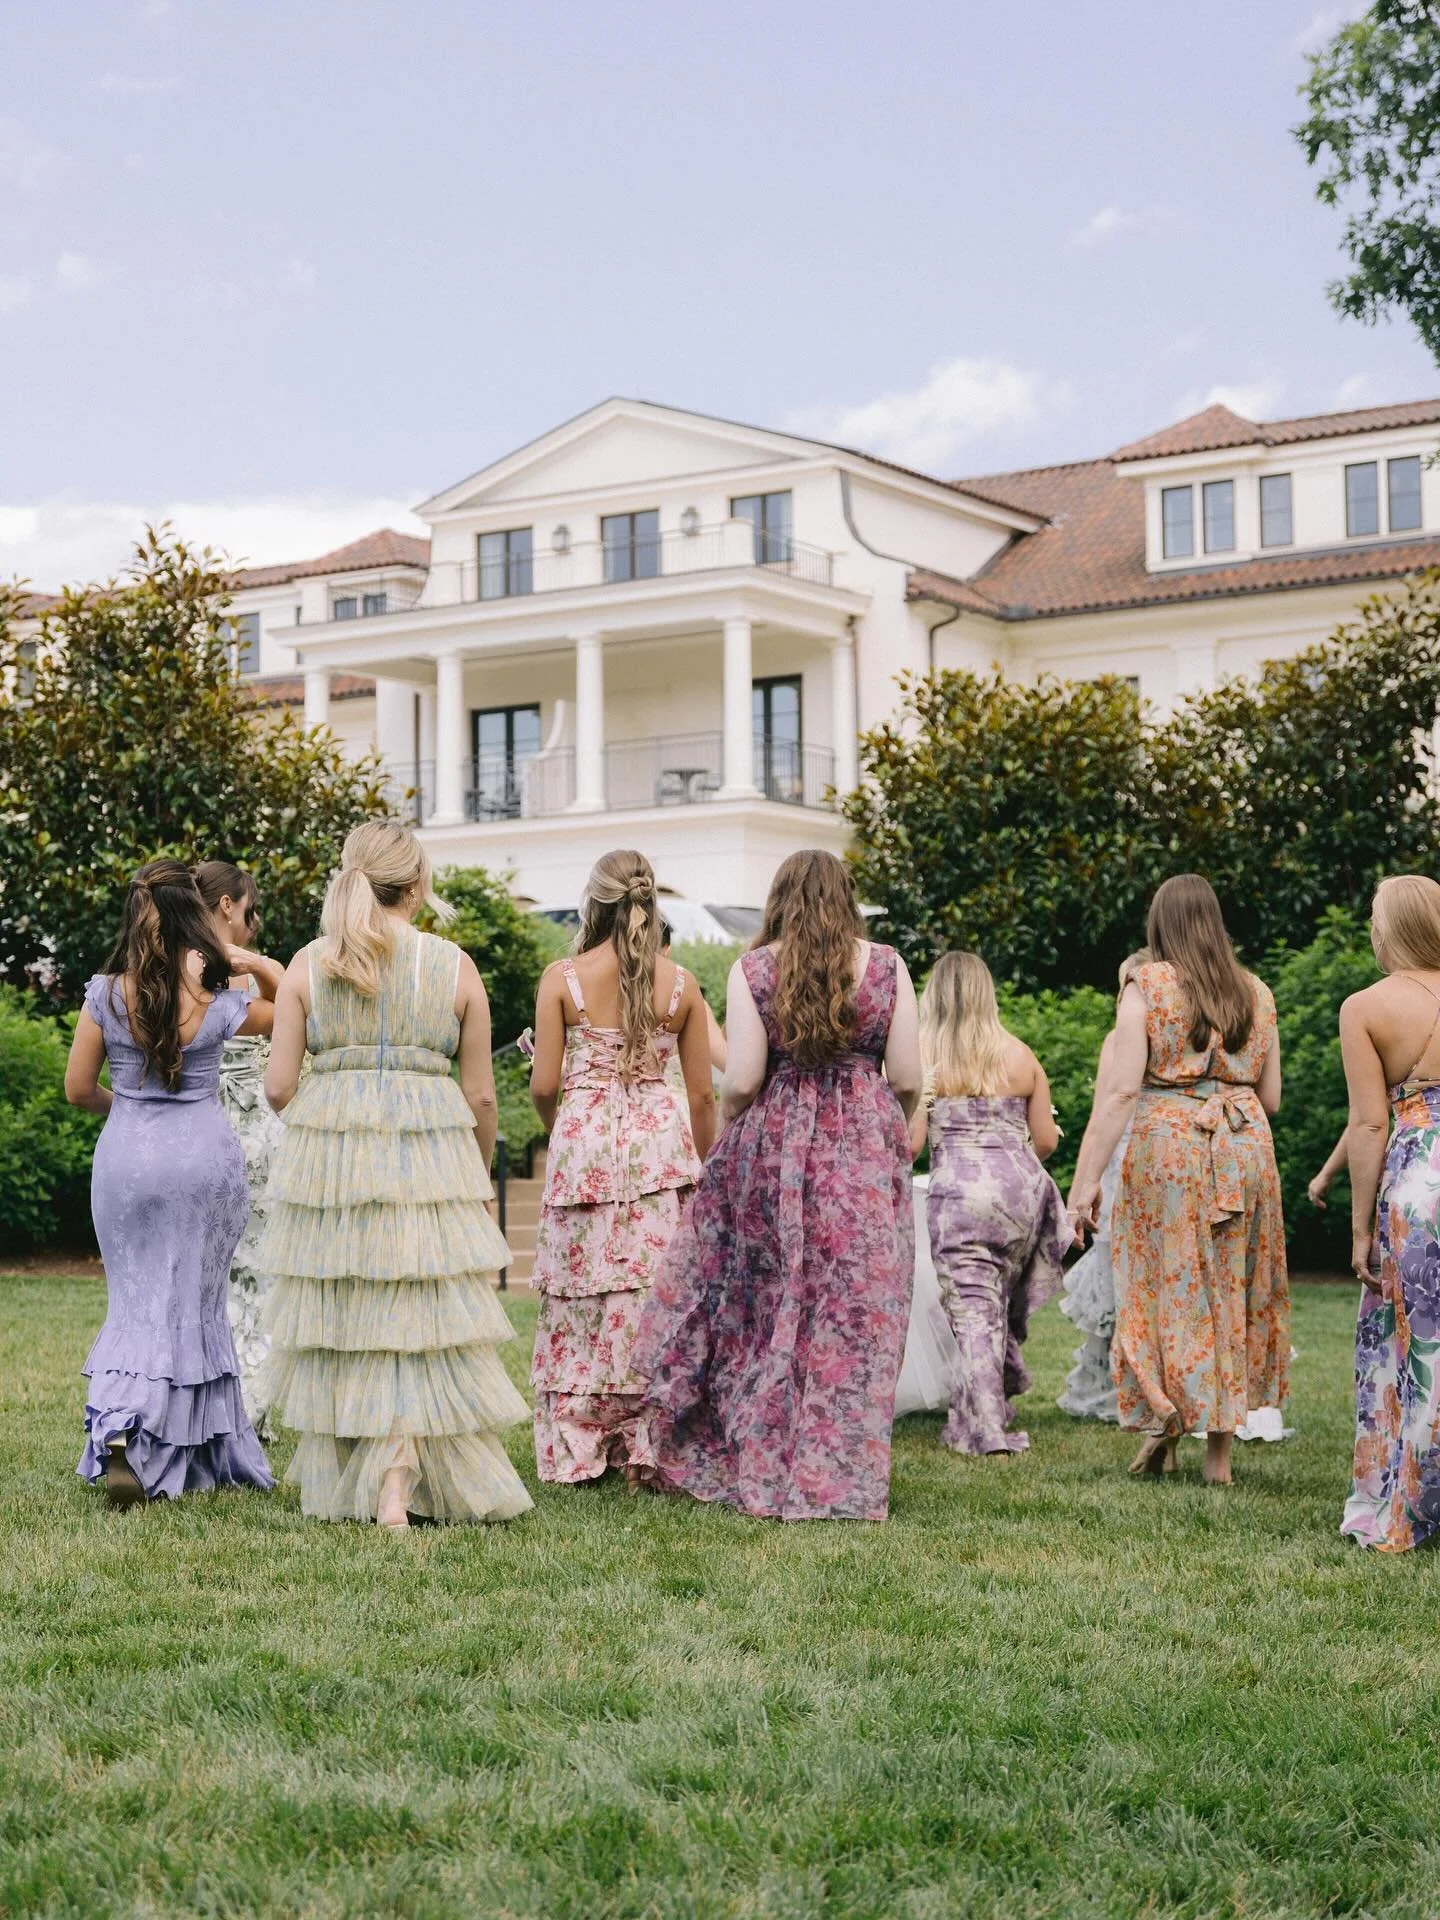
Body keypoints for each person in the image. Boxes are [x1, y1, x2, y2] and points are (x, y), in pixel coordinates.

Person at [633, 849, 922, 1522]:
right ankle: (843, 1477)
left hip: (777, 1148)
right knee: (856, 1312)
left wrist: (737, 1133)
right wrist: (885, 1123)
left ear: (780, 900)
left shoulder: (754, 968)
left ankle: (770, 1457)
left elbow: (741, 1079)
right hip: (862, 1151)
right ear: (846, 899)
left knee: (769, 1307)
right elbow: (907, 1074)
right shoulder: (887, 965)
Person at [259, 821, 532, 1531]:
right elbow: (480, 1095)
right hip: (429, 1151)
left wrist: (332, 1106)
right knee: (416, 1317)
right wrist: (471, 1170)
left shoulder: (307, 965)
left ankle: (373, 1471)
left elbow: (280, 1086)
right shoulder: (453, 966)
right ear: (416, 887)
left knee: (352, 1313)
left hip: (336, 1156)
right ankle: (399, 1478)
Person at [64, 859, 275, 1507]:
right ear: (196, 922)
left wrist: (130, 1108)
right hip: (204, 1160)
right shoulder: (222, 1005)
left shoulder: (105, 995)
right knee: (193, 1305)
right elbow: (299, 1008)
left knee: (135, 1303)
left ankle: (124, 1423)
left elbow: (77, 1090)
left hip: (126, 1158)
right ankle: (195, 1446)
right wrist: (256, 961)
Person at [1069, 875, 1287, 1485]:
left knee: (1164, 1287)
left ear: (1159, 925)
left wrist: (1085, 1183)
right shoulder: (1257, 993)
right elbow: (1269, 1096)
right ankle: (1219, 1458)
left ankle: (1164, 1416)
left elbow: (1118, 1092)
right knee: (1231, 1287)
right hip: (1244, 1146)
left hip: (1168, 1147)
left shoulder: (1147, 985)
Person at [527, 854, 715, 1484]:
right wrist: (706, 1164)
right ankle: (649, 1444)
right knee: (653, 1290)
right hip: (659, 1148)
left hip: (585, 1140)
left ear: (593, 902)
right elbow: (702, 1095)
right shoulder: (683, 985)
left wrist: (563, 1129)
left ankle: (583, 1445)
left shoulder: (562, 979)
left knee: (581, 1295)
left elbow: (544, 1083)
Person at [909, 951, 1068, 1455]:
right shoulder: (1021, 1056)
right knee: (992, 1303)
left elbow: (911, 1144)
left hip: (959, 1195)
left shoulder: (922, 1056)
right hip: (1020, 1195)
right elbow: (1045, 1141)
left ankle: (989, 1430)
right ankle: (980, 1402)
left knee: (974, 1310)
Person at [1338, 874, 1440, 1551]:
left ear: (1389, 929)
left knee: (1417, 1347)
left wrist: (1360, 1227)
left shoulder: (1367, 1007)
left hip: (1418, 1191)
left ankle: (1411, 1503)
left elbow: (1370, 1126)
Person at [192, 860, 286, 1432]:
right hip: (240, 1126)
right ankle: (242, 1402)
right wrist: (258, 965)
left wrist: (253, 963)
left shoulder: (178, 964)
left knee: (234, 1263)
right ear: (227, 905)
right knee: (247, 1263)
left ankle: (237, 1398)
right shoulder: (218, 971)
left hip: (218, 1122)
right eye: (248, 908)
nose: (252, 921)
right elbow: (290, 1016)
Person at [1056, 950, 1151, 1424]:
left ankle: (1128, 1388)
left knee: (1123, 1273)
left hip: (1129, 1159)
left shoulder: (1120, 1039)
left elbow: (1101, 1118)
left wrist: (1080, 1190)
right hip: (1145, 1158)